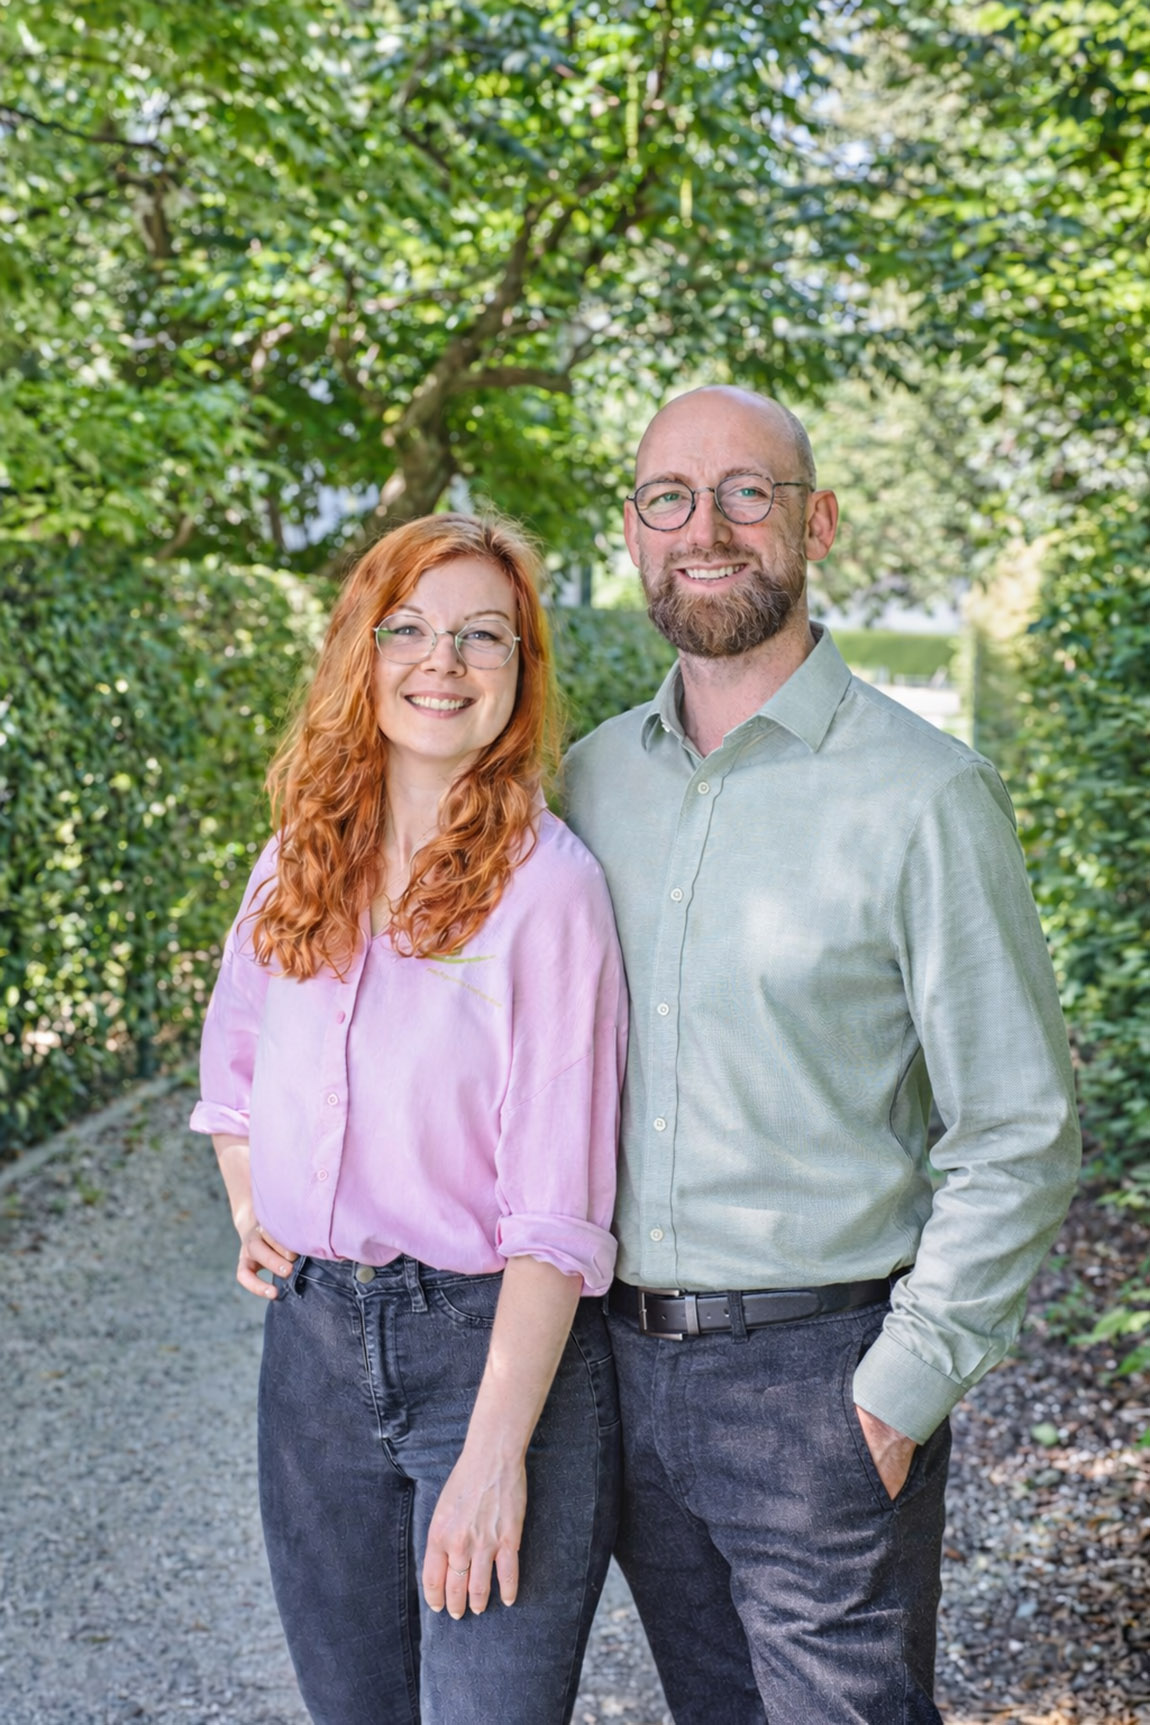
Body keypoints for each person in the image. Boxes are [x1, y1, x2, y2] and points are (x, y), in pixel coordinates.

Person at [564, 385, 1081, 1725]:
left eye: (748, 492)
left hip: (816, 1380)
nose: (706, 527)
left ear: (819, 520)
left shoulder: (922, 795)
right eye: (668, 497)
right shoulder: (580, 785)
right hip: (609, 1369)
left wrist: (899, 1389)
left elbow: (1018, 1127)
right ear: (632, 530)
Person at [189, 513, 626, 1725]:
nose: (444, 661)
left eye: (482, 636)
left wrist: (492, 1461)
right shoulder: (295, 863)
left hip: (488, 1366)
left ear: (520, 674)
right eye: (411, 631)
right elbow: (232, 1068)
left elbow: (558, 1214)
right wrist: (250, 1196)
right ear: (361, 652)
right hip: (313, 1356)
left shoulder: (550, 892)